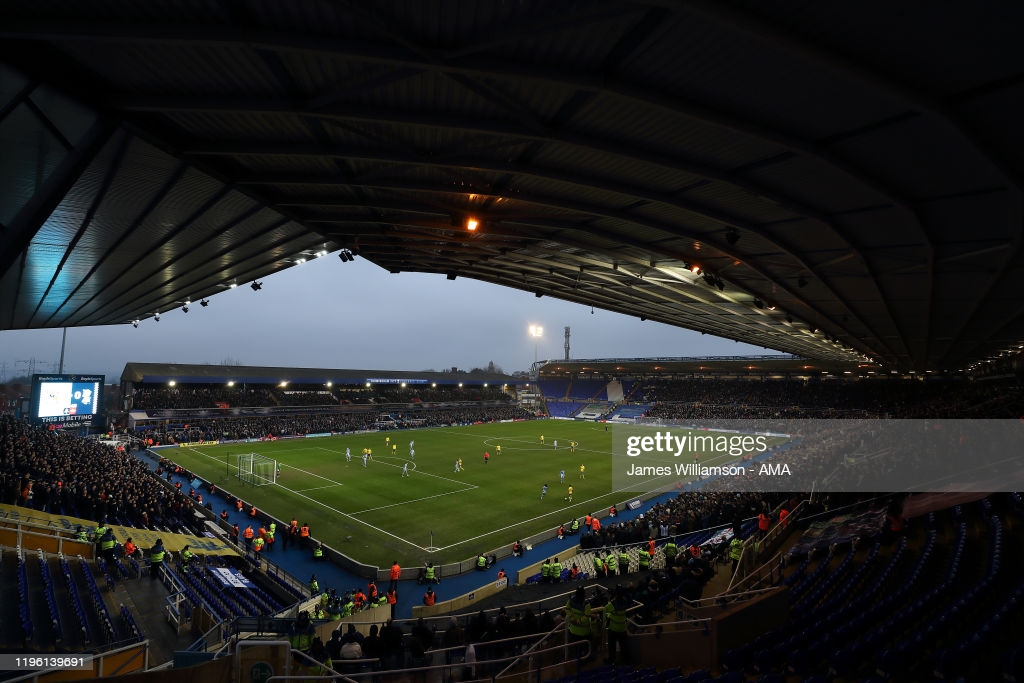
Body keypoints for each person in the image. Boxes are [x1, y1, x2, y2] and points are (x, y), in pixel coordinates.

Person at [605, 586, 631, 664]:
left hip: (613, 628)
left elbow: (605, 611)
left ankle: (611, 660)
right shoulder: (625, 602)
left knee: (611, 646)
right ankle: (625, 660)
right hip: (622, 628)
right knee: (623, 645)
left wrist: (611, 600)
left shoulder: (611, 604)